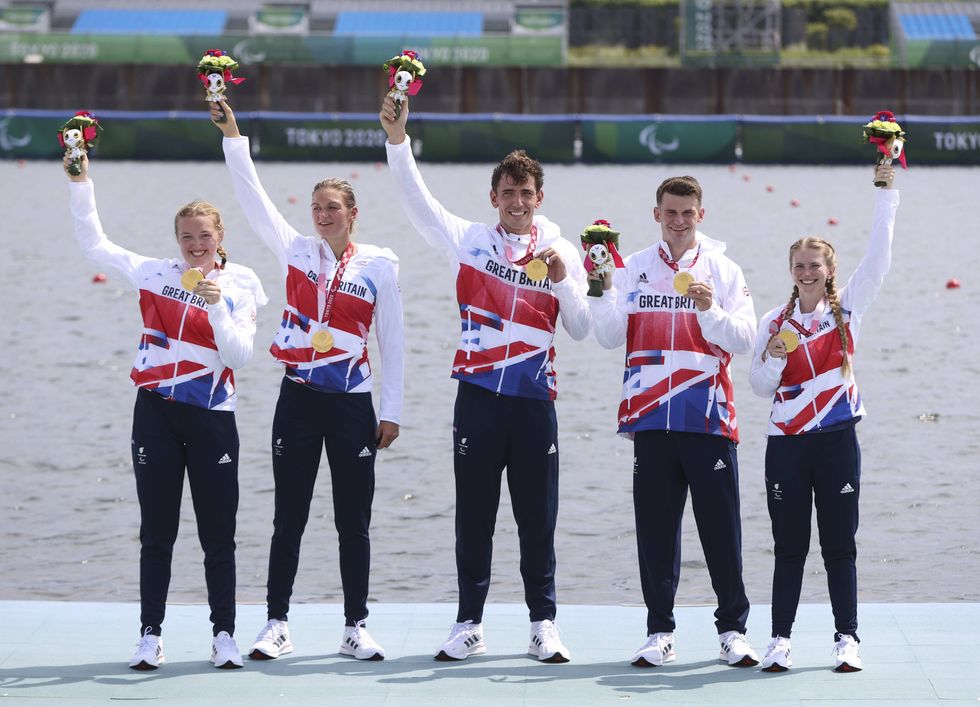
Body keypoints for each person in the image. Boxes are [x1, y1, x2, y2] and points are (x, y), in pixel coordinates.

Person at [379, 96, 591, 663]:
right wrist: (398, 140)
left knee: (535, 518)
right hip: (476, 397)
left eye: (527, 194)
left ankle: (543, 624)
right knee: (474, 515)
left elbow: (580, 328)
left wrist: (569, 281)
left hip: (532, 402)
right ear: (493, 198)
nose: (517, 202)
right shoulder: (468, 239)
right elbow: (418, 204)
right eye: (508, 193)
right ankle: (469, 622)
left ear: (539, 199)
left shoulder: (559, 249)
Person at [211, 101, 404, 662]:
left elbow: (392, 342)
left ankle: (355, 626)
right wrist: (233, 135)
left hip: (353, 404)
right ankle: (276, 624)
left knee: (354, 521)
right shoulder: (295, 250)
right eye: (317, 207)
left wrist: (390, 411)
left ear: (353, 212)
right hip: (296, 398)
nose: (322, 215)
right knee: (287, 517)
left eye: (332, 208)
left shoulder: (380, 266)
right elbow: (252, 199)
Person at [64, 153, 267, 671]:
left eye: (204, 236)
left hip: (212, 416)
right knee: (157, 531)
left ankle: (224, 635)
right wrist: (81, 181)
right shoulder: (155, 273)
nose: (196, 246)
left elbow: (240, 356)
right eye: (187, 238)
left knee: (217, 533)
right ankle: (150, 635)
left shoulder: (242, 282)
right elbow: (94, 244)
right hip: (154, 412)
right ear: (177, 241)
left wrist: (217, 303)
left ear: (220, 235)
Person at [590, 175, 759, 668]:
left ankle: (732, 632)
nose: (679, 221)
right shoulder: (632, 267)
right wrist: (600, 287)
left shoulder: (724, 270)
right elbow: (606, 336)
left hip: (707, 419)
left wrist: (710, 312)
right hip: (650, 420)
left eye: (688, 213)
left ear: (700, 215)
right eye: (670, 212)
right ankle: (659, 631)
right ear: (656, 214)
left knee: (721, 532)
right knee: (656, 533)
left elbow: (746, 338)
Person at [749, 163, 899, 673]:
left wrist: (886, 195)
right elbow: (758, 386)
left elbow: (878, 260)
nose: (808, 272)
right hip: (786, 445)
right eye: (800, 266)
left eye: (816, 265)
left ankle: (846, 639)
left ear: (829, 271)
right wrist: (771, 354)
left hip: (836, 439)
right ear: (790, 270)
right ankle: (780, 641)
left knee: (839, 546)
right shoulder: (774, 320)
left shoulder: (848, 309)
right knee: (788, 548)